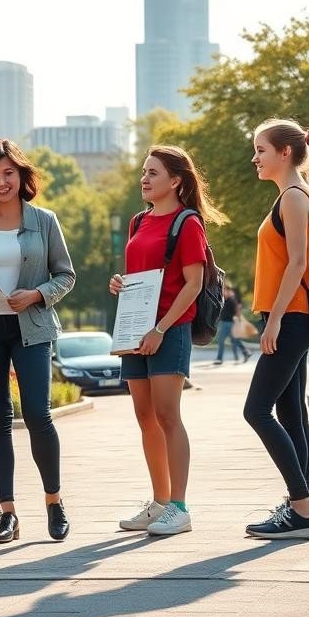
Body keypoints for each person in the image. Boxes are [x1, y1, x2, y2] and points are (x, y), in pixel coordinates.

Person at [0, 140, 75, 543]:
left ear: (21, 175)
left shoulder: (44, 221)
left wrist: (37, 294)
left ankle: (54, 502)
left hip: (32, 329)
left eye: (8, 173)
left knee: (38, 414)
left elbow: (65, 275)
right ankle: (7, 514)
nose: (1, 182)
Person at [109, 145, 228, 537]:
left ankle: (179, 507)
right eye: (144, 171)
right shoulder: (138, 222)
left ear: (176, 180)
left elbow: (193, 284)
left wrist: (160, 329)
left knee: (167, 415)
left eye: (153, 173)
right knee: (144, 416)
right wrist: (120, 283)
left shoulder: (187, 223)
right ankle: (159, 503)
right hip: (134, 330)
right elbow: (142, 275)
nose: (144, 178)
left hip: (169, 330)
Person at [243, 118, 309, 540]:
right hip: (292, 316)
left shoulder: (293, 197)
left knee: (256, 410)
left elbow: (297, 263)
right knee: (293, 414)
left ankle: (303, 509)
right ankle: (299, 509)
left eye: (261, 150)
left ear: (285, 152)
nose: (255, 158)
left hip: (290, 317)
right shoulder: (294, 195)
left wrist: (273, 319)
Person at [214, 285, 251, 365]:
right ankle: (246, 352)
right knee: (233, 341)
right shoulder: (224, 300)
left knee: (223, 340)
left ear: (228, 291)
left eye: (224, 290)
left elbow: (238, 310)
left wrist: (238, 321)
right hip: (224, 322)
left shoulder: (232, 300)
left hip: (230, 323)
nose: (223, 292)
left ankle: (219, 359)